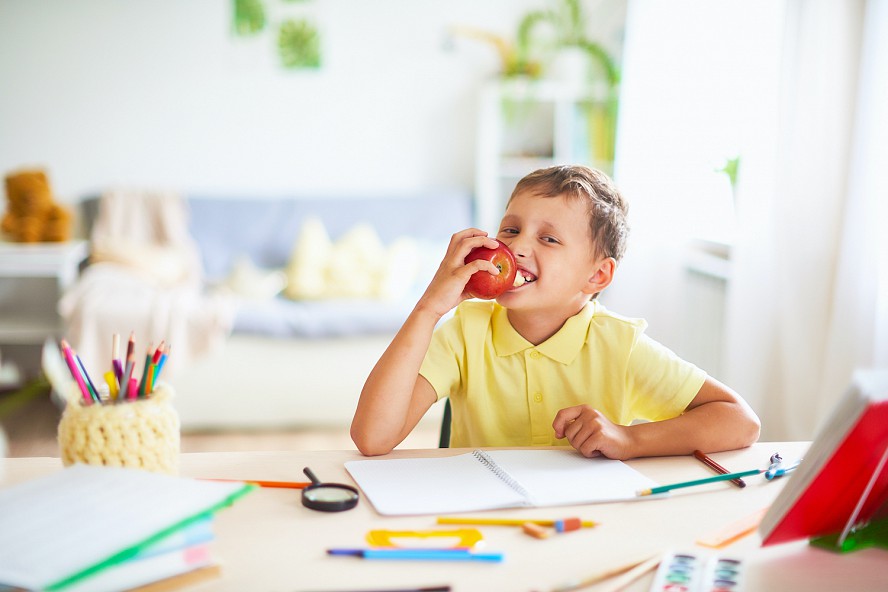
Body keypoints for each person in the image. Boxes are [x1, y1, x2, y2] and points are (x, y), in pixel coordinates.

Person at [351, 165, 760, 459]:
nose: (518, 247)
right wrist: (429, 308)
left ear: (597, 276)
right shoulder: (464, 332)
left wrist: (629, 440)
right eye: (510, 230)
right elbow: (372, 438)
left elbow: (740, 421)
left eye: (548, 238)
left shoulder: (619, 344)